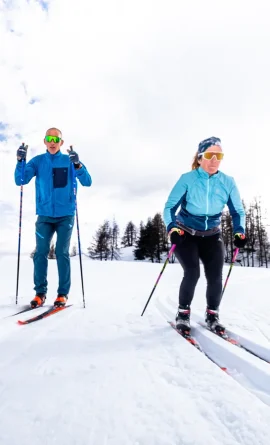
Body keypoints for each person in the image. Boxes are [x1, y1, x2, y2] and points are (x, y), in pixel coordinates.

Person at [163, 137, 247, 333]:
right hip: (186, 234)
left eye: (219, 156)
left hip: (212, 235)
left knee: (215, 276)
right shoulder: (187, 179)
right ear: (200, 158)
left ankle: (212, 315)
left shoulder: (228, 182)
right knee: (192, 272)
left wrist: (239, 231)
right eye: (210, 155)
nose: (214, 160)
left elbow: (237, 212)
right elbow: (169, 208)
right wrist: (172, 228)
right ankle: (183, 314)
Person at [14, 128, 92, 308]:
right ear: (44, 141)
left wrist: (78, 165)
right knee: (40, 252)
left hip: (66, 215)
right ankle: (40, 293)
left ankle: (62, 294)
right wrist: (20, 161)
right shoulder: (37, 161)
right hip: (44, 216)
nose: (52, 141)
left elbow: (87, 181)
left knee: (61, 252)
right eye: (49, 138)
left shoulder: (69, 161)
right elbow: (20, 180)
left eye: (56, 139)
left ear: (61, 143)